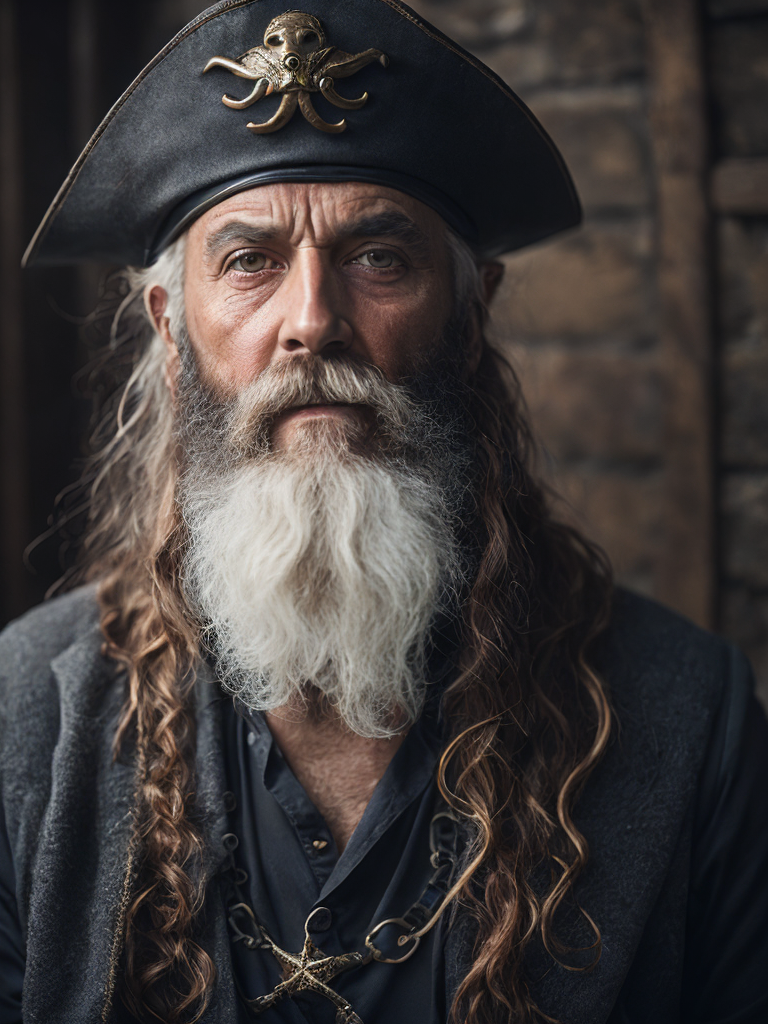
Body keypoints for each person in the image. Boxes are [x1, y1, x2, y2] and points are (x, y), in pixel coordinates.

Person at [3, 1, 767, 1022]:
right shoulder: (25, 718)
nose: (312, 319)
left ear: (470, 314)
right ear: (171, 332)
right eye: (249, 261)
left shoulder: (692, 715)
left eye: (379, 258)